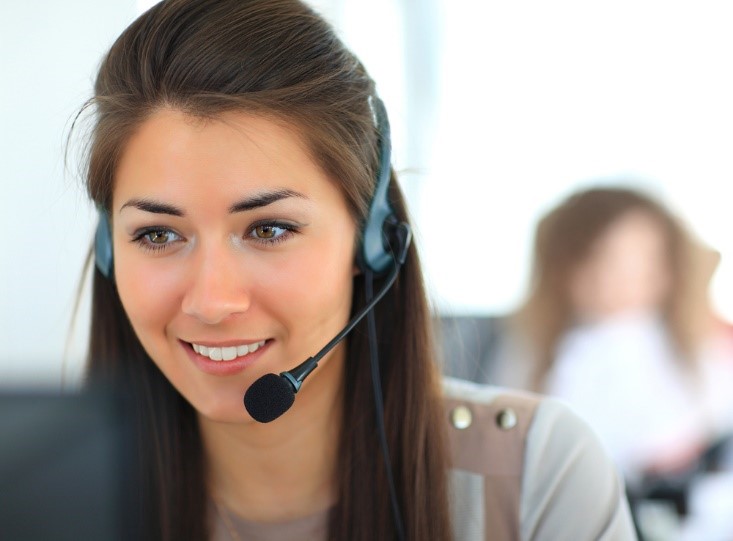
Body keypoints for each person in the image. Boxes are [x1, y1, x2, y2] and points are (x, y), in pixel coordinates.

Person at [76, 1, 636, 539]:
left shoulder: (539, 476)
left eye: (269, 229)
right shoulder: (40, 495)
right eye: (158, 234)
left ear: (372, 238)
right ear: (109, 250)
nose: (212, 301)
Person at [489, 187, 733, 488]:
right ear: (564, 267)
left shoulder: (697, 348)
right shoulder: (535, 351)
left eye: (643, 262)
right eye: (605, 260)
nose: (623, 279)